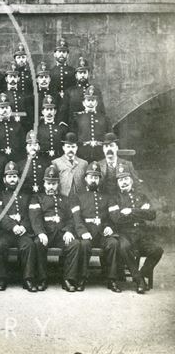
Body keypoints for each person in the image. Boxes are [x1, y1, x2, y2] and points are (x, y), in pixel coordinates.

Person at [109, 164, 163, 294]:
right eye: (120, 180)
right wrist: (139, 213)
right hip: (124, 233)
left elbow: (151, 214)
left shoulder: (141, 196)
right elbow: (117, 218)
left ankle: (141, 274)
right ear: (117, 183)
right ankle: (139, 281)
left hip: (141, 234)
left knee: (157, 250)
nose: (123, 183)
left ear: (131, 180)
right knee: (124, 247)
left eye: (126, 179)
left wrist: (131, 211)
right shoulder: (114, 199)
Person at [70, 162, 123, 293]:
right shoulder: (77, 196)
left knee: (114, 243)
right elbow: (76, 218)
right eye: (91, 177)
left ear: (99, 179)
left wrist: (111, 227)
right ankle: (82, 278)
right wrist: (82, 232)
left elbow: (114, 217)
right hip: (86, 232)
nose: (93, 180)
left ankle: (112, 280)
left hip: (102, 233)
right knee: (84, 245)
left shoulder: (108, 197)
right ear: (86, 179)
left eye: (96, 177)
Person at [29, 164, 81, 292]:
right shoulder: (37, 198)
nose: (51, 186)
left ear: (58, 184)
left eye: (54, 183)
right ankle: (42, 278)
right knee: (37, 243)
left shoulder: (65, 199)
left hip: (61, 233)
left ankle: (67, 279)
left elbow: (71, 218)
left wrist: (69, 230)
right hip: (46, 233)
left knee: (75, 244)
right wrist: (40, 233)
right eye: (48, 183)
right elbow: (35, 218)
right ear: (44, 183)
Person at [0, 161, 37, 292]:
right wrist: (13, 226)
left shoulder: (27, 196)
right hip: (7, 232)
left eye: (14, 177)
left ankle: (28, 279)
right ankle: (2, 278)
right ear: (4, 179)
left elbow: (31, 215)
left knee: (29, 245)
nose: (12, 179)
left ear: (19, 178)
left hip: (23, 231)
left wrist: (24, 226)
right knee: (1, 245)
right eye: (9, 176)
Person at [71, 85, 110, 162]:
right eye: (88, 100)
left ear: (96, 102)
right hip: (82, 153)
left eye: (93, 100)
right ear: (83, 102)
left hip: (100, 153)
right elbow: (73, 137)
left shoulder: (104, 118)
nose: (90, 103)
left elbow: (109, 136)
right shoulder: (77, 117)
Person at [52, 132, 88, 197]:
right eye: (68, 147)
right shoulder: (56, 163)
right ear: (63, 148)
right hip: (63, 197)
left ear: (76, 148)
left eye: (73, 147)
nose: (70, 149)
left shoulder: (84, 163)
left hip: (80, 198)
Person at [17, 130, 51, 195]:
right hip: (26, 196)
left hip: (42, 196)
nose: (32, 147)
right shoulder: (20, 165)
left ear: (39, 147)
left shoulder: (46, 163)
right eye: (30, 145)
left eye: (35, 145)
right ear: (26, 147)